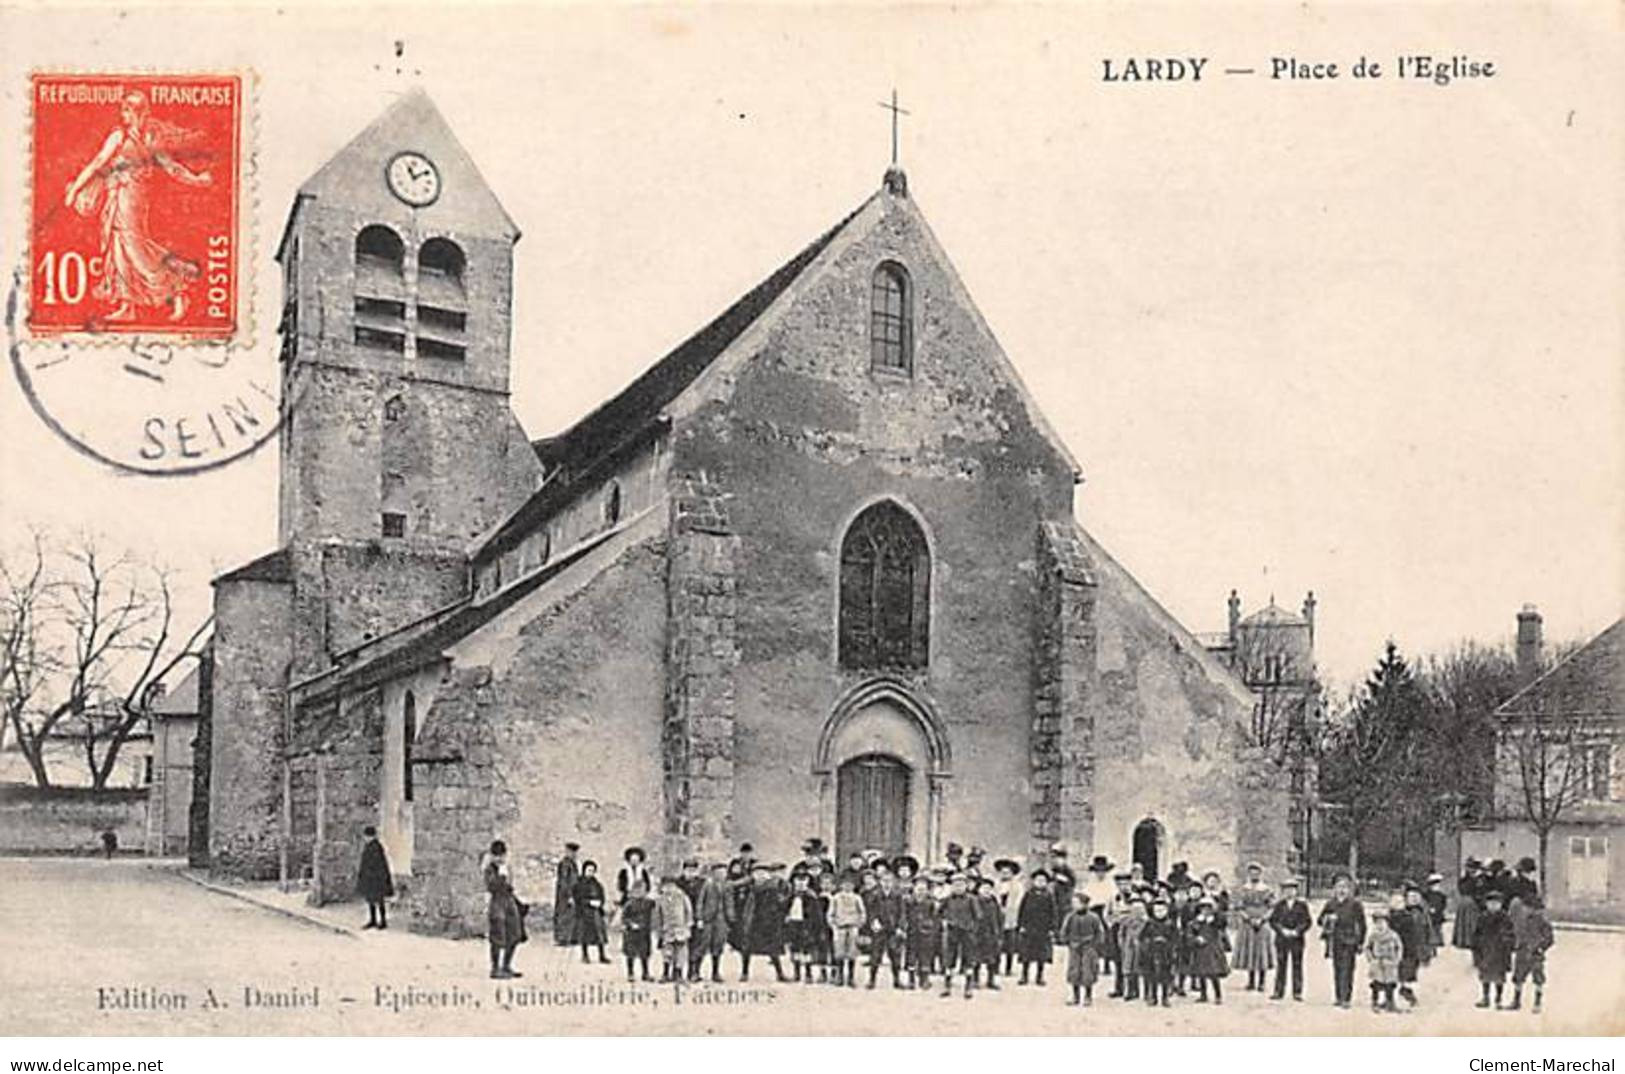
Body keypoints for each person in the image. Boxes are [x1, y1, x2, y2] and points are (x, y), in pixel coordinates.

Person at [62, 89, 212, 323]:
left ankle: (177, 287)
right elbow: (98, 163)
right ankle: (127, 305)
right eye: (124, 110)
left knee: (135, 247)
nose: (125, 115)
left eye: (129, 110)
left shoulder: (151, 140)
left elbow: (172, 167)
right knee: (118, 247)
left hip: (135, 198)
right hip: (117, 195)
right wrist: (76, 188)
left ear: (138, 112)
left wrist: (196, 180)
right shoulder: (118, 137)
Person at [1318, 873, 1367, 1009]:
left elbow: (1362, 924)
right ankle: (1338, 996)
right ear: (1334, 888)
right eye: (1339, 886)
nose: (1342, 889)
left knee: (1348, 969)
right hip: (1335, 940)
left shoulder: (1355, 904)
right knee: (1337, 968)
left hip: (1350, 939)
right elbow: (1320, 920)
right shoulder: (1330, 903)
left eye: (1345, 886)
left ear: (1350, 889)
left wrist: (1360, 942)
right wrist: (1328, 918)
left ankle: (1346, 998)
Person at [739, 862, 790, 982]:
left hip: (770, 921)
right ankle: (744, 973)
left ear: (768, 875)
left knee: (773, 948)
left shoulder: (774, 887)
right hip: (753, 921)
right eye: (757, 873)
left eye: (763, 873)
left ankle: (780, 973)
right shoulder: (748, 887)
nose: (760, 875)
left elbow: (782, 902)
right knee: (747, 948)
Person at [483, 840, 526, 980]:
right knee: (497, 934)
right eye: (496, 855)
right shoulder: (489, 869)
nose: (499, 858)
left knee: (515, 933)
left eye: (501, 855)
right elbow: (491, 887)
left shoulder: (508, 867)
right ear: (492, 856)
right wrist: (501, 877)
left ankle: (506, 965)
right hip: (497, 902)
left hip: (509, 900)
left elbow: (511, 885)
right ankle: (495, 968)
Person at [1233, 861, 1276, 991]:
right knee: (1250, 949)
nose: (1254, 875)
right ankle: (1251, 980)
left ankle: (1262, 981)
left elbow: (1272, 907)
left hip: (1262, 922)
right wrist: (1248, 918)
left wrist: (1263, 919)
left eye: (1257, 872)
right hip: (1248, 922)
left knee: (1261, 950)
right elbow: (1239, 907)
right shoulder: (1243, 889)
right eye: (1252, 872)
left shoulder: (1267, 890)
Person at [1268, 877, 1311, 1001]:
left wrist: (1297, 931)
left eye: (1292, 889)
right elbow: (1273, 921)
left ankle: (1297, 992)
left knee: (1297, 965)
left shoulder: (1302, 905)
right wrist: (1282, 930)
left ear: (1296, 891)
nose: (1289, 892)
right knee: (1281, 965)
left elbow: (1307, 921)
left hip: (1297, 939)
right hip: (1282, 939)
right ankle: (1278, 991)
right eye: (1287, 890)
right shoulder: (1279, 905)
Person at [1472, 889, 1517, 1009]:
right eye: (1490, 903)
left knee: (1499, 977)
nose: (1493, 906)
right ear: (1486, 904)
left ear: (1501, 904)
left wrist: (1508, 943)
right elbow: (1476, 934)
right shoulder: (1482, 917)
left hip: (1500, 951)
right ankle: (1485, 997)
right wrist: (1476, 948)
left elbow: (1511, 934)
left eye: (1496, 903)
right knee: (1485, 975)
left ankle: (1498, 998)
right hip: (1485, 949)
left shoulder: (1505, 918)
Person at [864, 866, 907, 990]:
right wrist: (873, 922)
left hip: (893, 929)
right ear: (880, 882)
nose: (887, 883)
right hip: (880, 929)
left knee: (895, 955)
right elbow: (871, 911)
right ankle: (872, 980)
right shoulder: (875, 895)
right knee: (875, 955)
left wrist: (900, 927)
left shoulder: (898, 895)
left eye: (889, 881)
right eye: (884, 881)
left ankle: (897, 980)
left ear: (893, 882)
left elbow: (902, 913)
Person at [1509, 893, 1553, 1013]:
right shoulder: (1521, 920)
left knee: (1538, 977)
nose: (1528, 910)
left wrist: (1541, 948)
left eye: (1531, 908)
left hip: (1535, 953)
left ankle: (1537, 1002)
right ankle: (1516, 1000)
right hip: (1522, 951)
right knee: (1518, 977)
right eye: (1527, 907)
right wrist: (1515, 945)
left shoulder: (1542, 922)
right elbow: (1516, 933)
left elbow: (1549, 938)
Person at [1060, 891, 1105, 1006]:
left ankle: (1088, 996)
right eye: (1073, 903)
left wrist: (1096, 945)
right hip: (1074, 947)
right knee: (1074, 971)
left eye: (1077, 903)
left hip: (1088, 947)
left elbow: (1099, 932)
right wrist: (1066, 940)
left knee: (1088, 971)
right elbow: (1064, 930)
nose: (1074, 905)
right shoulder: (1070, 917)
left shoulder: (1093, 917)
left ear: (1085, 904)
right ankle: (1075, 995)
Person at [939, 873, 979, 998]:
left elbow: (978, 916)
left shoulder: (972, 899)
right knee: (949, 959)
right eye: (955, 885)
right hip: (952, 932)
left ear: (966, 886)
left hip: (967, 933)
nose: (958, 888)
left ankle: (968, 987)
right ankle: (947, 986)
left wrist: (972, 928)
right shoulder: (947, 899)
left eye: (961, 885)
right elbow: (938, 913)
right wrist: (945, 921)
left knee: (968, 959)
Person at [1016, 868, 1058, 986]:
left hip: (1043, 928)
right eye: (1038, 880)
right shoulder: (1028, 894)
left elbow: (1053, 913)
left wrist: (1052, 928)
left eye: (1043, 880)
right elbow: (1022, 910)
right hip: (1029, 927)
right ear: (1033, 881)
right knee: (1026, 953)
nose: (1040, 882)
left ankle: (1040, 976)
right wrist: (1021, 925)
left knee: (1041, 955)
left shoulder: (1049, 896)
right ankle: (1024, 975)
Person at [1394, 885, 1434, 1007]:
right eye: (1411, 897)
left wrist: (1429, 947)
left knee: (1413, 968)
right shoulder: (1401, 913)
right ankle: (1403, 991)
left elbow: (1428, 929)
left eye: (1417, 897)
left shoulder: (1423, 913)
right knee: (1403, 969)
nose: (1414, 899)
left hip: (1418, 945)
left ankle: (1406, 989)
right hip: (1404, 945)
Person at [1186, 896, 1230, 1004]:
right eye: (1203, 908)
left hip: (1212, 949)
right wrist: (1196, 939)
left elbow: (1223, 924)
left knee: (1213, 973)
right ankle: (1203, 994)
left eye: (1208, 908)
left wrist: (1214, 919)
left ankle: (1218, 995)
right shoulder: (1196, 922)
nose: (1206, 911)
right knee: (1201, 973)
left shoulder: (1216, 921)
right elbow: (1189, 933)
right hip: (1200, 949)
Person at [694, 862, 733, 983]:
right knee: (703, 944)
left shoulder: (727, 886)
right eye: (719, 872)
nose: (722, 874)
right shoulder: (707, 884)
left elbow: (730, 903)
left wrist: (730, 919)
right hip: (708, 919)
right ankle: (695, 972)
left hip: (721, 919)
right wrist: (699, 918)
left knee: (718, 946)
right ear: (714, 873)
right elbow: (700, 901)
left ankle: (715, 973)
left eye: (724, 872)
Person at [654, 874, 695, 982]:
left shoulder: (682, 897)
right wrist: (659, 930)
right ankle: (666, 973)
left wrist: (688, 925)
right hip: (667, 929)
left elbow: (688, 911)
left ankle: (679, 973)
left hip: (681, 928)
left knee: (681, 951)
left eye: (671, 886)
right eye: (666, 886)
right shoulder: (660, 899)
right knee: (667, 952)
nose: (669, 889)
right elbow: (658, 915)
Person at [1138, 896, 1178, 1007]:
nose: (1159, 913)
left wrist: (1169, 944)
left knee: (1165, 975)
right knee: (1152, 976)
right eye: (1157, 911)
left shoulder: (1170, 924)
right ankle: (1153, 997)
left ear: (1167, 910)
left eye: (1162, 910)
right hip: (1152, 953)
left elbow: (1176, 938)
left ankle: (1165, 997)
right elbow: (1142, 937)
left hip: (1166, 953)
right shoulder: (1149, 924)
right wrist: (1150, 942)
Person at [828, 873, 866, 988]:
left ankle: (850, 977)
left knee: (852, 953)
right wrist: (833, 925)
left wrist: (859, 924)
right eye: (845, 884)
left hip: (853, 927)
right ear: (841, 885)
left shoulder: (857, 898)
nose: (847, 887)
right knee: (839, 953)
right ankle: (839, 976)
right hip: (840, 928)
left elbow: (862, 912)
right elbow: (830, 913)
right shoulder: (836, 898)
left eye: (850, 884)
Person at [905, 874, 942, 991]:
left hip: (927, 933)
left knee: (925, 956)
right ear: (914, 889)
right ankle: (911, 980)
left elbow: (936, 918)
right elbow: (903, 915)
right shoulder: (908, 901)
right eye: (918, 888)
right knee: (911, 955)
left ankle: (924, 979)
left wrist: (933, 929)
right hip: (911, 931)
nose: (921, 891)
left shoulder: (932, 903)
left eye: (923, 889)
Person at [356, 825, 394, 930]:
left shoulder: (376, 847)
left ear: (370, 836)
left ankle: (383, 921)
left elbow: (377, 864)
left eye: (366, 836)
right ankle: (373, 920)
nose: (365, 838)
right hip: (370, 878)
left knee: (379, 900)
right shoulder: (369, 846)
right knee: (371, 900)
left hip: (376, 879)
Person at [1365, 907, 1403, 1012]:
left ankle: (1390, 1002)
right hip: (1377, 962)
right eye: (1377, 923)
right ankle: (1375, 1001)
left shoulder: (1393, 935)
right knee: (1376, 984)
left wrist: (1396, 959)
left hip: (1390, 963)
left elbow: (1399, 947)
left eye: (1382, 922)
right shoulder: (1373, 936)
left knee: (1390, 984)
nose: (1380, 925)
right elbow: (1368, 947)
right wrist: (1371, 959)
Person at [573, 859, 610, 964]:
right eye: (589, 870)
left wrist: (600, 903)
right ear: (584, 871)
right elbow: (578, 898)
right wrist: (589, 902)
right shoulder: (579, 884)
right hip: (584, 912)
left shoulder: (597, 884)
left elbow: (602, 895)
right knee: (585, 934)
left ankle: (602, 955)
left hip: (596, 912)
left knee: (600, 935)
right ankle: (585, 955)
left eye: (593, 871)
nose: (591, 873)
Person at [785, 870, 818, 983]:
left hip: (806, 925)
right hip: (794, 924)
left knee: (806, 950)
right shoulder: (790, 896)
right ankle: (796, 973)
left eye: (803, 880)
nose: (800, 883)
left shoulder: (811, 897)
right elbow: (785, 909)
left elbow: (815, 915)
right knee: (795, 948)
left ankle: (808, 974)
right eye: (798, 880)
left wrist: (812, 928)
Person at [995, 858, 1025, 976]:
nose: (1005, 874)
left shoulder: (1018, 886)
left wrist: (1011, 911)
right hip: (997, 917)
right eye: (1003, 872)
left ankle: (1008, 967)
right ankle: (995, 966)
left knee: (1010, 944)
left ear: (1013, 873)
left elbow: (1019, 902)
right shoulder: (996, 885)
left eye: (1008, 872)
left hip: (1011, 917)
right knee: (997, 943)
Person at [621, 877, 655, 981]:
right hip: (631, 933)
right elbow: (624, 917)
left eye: (642, 890)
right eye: (637, 890)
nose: (640, 892)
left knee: (644, 954)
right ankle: (630, 973)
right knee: (630, 954)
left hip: (644, 932)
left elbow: (656, 911)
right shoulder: (629, 904)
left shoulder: (649, 902)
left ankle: (645, 973)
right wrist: (630, 924)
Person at [974, 876, 1004, 990]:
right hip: (978, 934)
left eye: (989, 888)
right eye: (984, 888)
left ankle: (990, 980)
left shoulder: (994, 903)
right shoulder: (975, 901)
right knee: (976, 958)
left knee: (992, 959)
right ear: (979, 890)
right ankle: (975, 980)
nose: (986, 890)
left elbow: (999, 918)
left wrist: (999, 932)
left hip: (992, 935)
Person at [1452, 858, 1484, 949]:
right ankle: (1465, 940)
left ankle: (1466, 940)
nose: (1470, 870)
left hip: (1470, 902)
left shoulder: (1476, 880)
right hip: (1468, 902)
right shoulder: (1467, 880)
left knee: (1469, 922)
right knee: (1467, 922)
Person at [553, 841, 580, 946]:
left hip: (572, 892)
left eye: (574, 852)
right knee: (564, 916)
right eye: (571, 852)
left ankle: (572, 937)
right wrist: (569, 895)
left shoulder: (573, 864)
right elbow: (564, 880)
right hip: (564, 894)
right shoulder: (565, 864)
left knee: (572, 915)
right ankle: (562, 938)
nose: (573, 854)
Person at [1048, 846, 1078, 930]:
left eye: (1056, 858)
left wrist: (1062, 879)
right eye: (1052, 858)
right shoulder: (1054, 870)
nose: (1054, 860)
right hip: (1055, 901)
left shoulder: (1068, 871)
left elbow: (1072, 884)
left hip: (1064, 902)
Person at [1422, 873, 1449, 948]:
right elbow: (1425, 902)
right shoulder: (1427, 895)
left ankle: (1439, 940)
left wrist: (1440, 910)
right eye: (1433, 885)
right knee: (1431, 927)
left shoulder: (1441, 895)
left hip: (1438, 914)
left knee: (1438, 927)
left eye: (1437, 885)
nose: (1435, 887)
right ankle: (1432, 940)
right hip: (1430, 914)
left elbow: (1443, 904)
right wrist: (1429, 908)